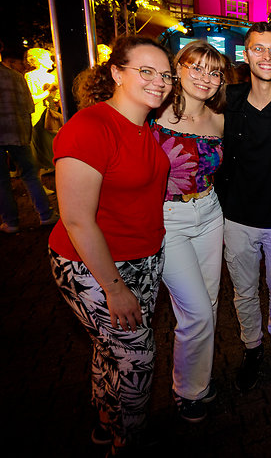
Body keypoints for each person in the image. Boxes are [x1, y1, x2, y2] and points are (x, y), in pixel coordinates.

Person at [48, 36, 172, 454]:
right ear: (117, 73)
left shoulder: (143, 125)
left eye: (165, 75)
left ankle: (108, 422)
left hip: (141, 259)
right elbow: (77, 219)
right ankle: (129, 441)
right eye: (146, 71)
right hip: (94, 266)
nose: (159, 82)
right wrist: (114, 288)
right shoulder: (90, 127)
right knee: (137, 358)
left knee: (111, 349)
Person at [215, 21, 271, 391]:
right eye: (258, 48)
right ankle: (252, 347)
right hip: (236, 217)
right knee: (244, 292)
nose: (266, 56)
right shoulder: (227, 99)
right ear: (246, 54)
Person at [151, 40, 226, 422]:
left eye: (213, 71)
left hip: (210, 213)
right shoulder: (154, 112)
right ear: (177, 68)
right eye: (196, 67)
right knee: (195, 311)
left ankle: (198, 379)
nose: (204, 77)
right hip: (168, 219)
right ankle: (186, 391)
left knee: (208, 305)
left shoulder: (219, 120)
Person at [1, 41, 58, 233]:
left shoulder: (21, 75)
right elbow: (29, 105)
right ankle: (45, 214)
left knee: (2, 181)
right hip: (17, 132)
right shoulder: (15, 77)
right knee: (30, 175)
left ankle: (11, 222)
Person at [24, 47, 59, 174]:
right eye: (48, 58)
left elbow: (54, 97)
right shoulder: (31, 76)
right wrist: (48, 91)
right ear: (39, 60)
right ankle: (38, 179)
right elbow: (32, 99)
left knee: (52, 146)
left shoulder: (51, 76)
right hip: (37, 115)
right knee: (38, 148)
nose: (51, 61)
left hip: (50, 114)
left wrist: (55, 97)